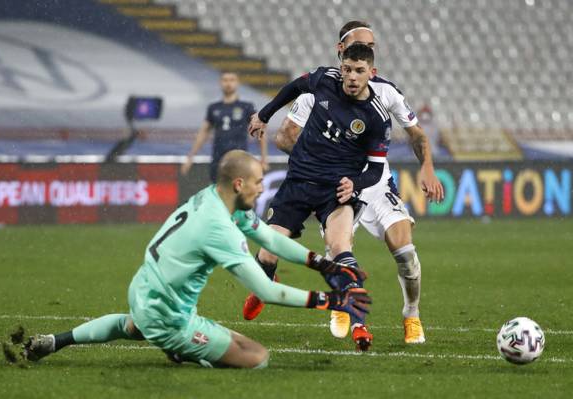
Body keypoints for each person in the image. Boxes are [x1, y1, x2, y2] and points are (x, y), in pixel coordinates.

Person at [21, 150, 370, 369]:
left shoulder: (214, 199)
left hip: (143, 290)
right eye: (258, 183)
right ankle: (182, 351)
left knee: (131, 326)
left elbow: (267, 237)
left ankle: (57, 340)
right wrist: (333, 301)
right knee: (257, 358)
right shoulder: (220, 228)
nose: (263, 189)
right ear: (238, 183)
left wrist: (325, 264)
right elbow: (266, 291)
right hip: (170, 318)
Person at [256, 21, 444, 345]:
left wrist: (427, 166)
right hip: (334, 182)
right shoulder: (322, 85)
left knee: (406, 253)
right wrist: (317, 165)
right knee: (337, 248)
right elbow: (286, 136)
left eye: (371, 47)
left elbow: (416, 135)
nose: (367, 49)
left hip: (375, 180)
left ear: (371, 65)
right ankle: (343, 306)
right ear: (341, 51)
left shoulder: (386, 94)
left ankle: (411, 315)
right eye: (360, 45)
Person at [244, 44, 400, 351]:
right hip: (298, 182)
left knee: (340, 247)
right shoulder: (324, 79)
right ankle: (265, 285)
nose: (352, 77)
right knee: (267, 253)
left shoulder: (376, 118)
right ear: (340, 67)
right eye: (347, 69)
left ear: (372, 73)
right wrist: (264, 114)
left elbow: (375, 170)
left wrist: (354, 183)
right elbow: (296, 86)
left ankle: (358, 323)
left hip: (336, 192)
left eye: (359, 71)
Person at [181, 71, 268, 182]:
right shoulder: (213, 108)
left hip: (239, 159)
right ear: (220, 83)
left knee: (239, 192)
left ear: (237, 83)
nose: (228, 83)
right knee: (216, 192)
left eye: (232, 80)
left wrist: (264, 158)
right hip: (218, 159)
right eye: (225, 80)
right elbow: (203, 132)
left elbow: (260, 130)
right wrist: (190, 157)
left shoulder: (246, 107)